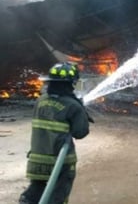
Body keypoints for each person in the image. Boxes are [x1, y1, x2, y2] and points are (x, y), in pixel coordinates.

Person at [19, 62, 91, 204]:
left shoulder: (40, 101)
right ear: (72, 83)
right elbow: (80, 132)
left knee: (37, 192)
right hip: (61, 162)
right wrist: (81, 111)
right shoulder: (73, 106)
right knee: (57, 198)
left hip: (36, 160)